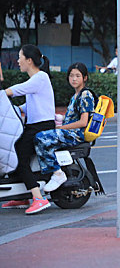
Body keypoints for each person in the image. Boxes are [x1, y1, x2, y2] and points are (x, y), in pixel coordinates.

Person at [1, 45, 55, 215]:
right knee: (14, 152)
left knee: (17, 158)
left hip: (41, 127)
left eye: (20, 57)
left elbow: (19, 89)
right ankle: (22, 196)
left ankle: (38, 198)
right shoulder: (36, 80)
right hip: (34, 126)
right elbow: (29, 104)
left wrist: (3, 93)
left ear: (29, 60)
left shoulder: (40, 77)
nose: (18, 61)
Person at [34, 62, 95, 193]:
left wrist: (63, 128)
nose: (74, 79)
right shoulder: (75, 96)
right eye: (71, 75)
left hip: (76, 135)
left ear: (85, 78)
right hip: (70, 132)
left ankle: (57, 173)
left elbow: (83, 122)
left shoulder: (85, 95)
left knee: (41, 138)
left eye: (78, 76)